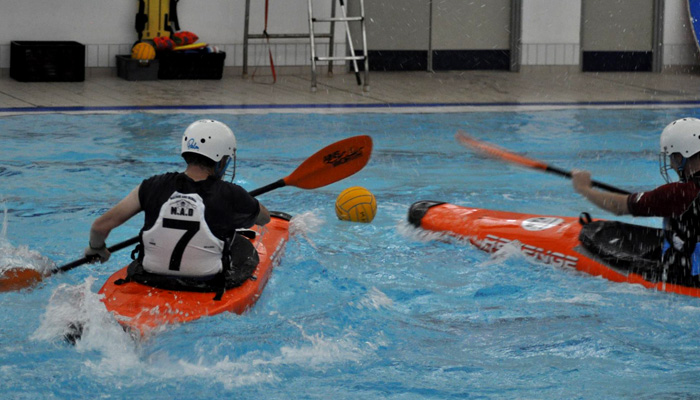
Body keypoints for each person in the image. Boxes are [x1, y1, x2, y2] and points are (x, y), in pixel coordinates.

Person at [84, 119, 270, 292]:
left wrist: (96, 248)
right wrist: (244, 201)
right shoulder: (232, 194)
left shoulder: (151, 185)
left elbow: (100, 227)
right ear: (222, 160)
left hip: (150, 278)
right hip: (206, 284)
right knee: (241, 244)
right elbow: (264, 218)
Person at [572, 117, 700, 284]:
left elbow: (617, 206)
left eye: (671, 157)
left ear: (678, 157)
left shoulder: (679, 194)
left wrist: (584, 189)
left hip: (687, 276)